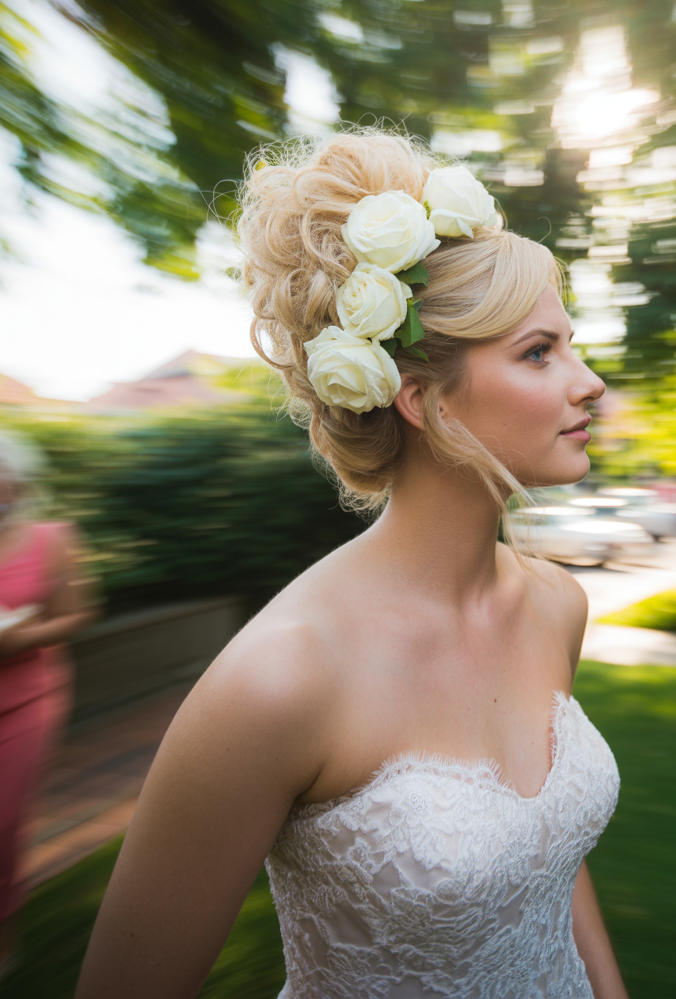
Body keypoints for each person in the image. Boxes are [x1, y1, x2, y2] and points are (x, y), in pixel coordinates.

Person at [75, 131, 628, 999]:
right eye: (539, 352)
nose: (590, 382)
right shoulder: (278, 681)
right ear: (422, 399)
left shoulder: (558, 604)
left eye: (572, 343)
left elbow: (547, 857)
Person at [0, 432, 97, 980]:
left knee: (4, 823)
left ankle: (5, 945)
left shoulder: (52, 537)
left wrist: (22, 636)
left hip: (28, 698)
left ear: (17, 478)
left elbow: (79, 613)